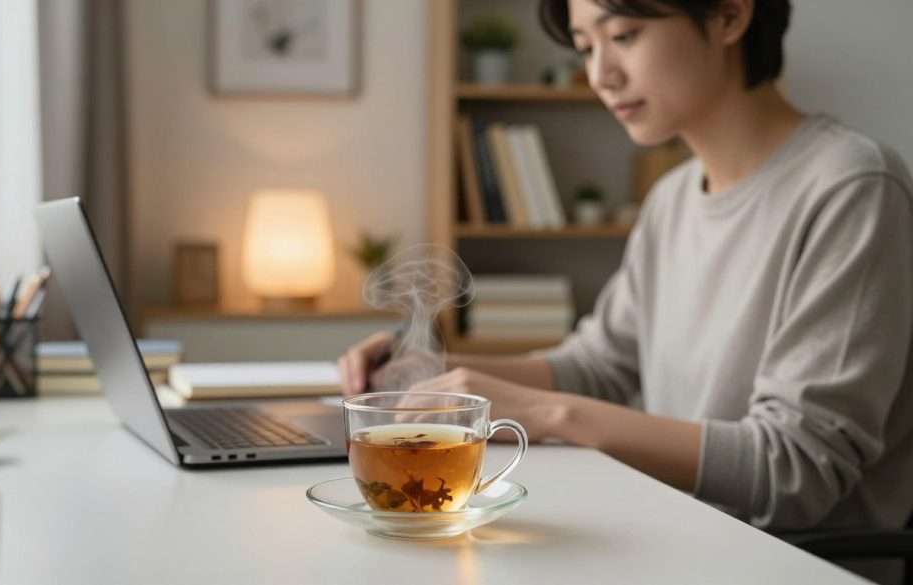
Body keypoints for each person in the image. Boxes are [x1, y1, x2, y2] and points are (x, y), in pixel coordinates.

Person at [340, 1, 913, 582]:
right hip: (673, 540)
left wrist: (547, 414)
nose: (600, 74)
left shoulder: (853, 186)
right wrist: (436, 373)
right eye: (587, 46)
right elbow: (600, 366)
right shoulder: (672, 198)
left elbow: (794, 469)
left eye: (624, 35)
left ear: (729, 18)